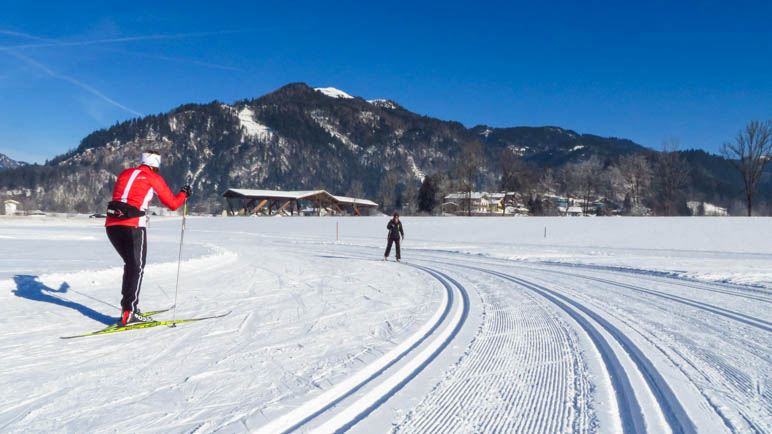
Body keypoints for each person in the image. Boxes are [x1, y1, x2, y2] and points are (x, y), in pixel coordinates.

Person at [105, 150, 191, 326]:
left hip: (112, 226)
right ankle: (130, 312)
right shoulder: (153, 178)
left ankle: (127, 309)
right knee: (136, 267)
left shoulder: (125, 173)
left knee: (131, 265)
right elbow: (173, 204)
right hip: (133, 226)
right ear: (155, 165)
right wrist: (184, 193)